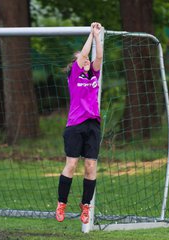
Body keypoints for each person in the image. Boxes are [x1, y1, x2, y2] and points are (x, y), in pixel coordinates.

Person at [56, 22, 103, 224]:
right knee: (72, 164)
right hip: (75, 125)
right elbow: (84, 55)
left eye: (85, 60)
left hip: (93, 125)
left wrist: (98, 35)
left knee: (91, 167)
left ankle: (86, 206)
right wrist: (91, 36)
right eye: (81, 59)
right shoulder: (74, 77)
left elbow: (98, 57)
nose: (85, 60)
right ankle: (61, 203)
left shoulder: (94, 75)